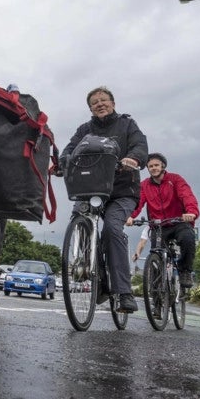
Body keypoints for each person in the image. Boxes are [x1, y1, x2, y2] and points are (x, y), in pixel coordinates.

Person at [60, 86, 148, 313]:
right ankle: (96, 277)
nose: (100, 104)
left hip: (122, 192)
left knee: (111, 228)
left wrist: (133, 158)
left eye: (104, 100)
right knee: (79, 219)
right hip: (90, 189)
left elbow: (140, 145)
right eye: (94, 102)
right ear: (90, 108)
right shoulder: (84, 129)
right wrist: (62, 162)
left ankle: (123, 292)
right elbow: (70, 148)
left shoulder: (127, 125)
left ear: (113, 103)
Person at [126, 152, 199, 290]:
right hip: (159, 226)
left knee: (188, 239)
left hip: (179, 222)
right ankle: (156, 293)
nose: (153, 168)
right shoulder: (145, 185)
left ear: (163, 166)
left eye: (156, 165)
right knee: (156, 256)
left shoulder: (175, 179)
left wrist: (191, 212)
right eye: (150, 166)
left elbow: (186, 195)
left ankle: (185, 271)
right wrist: (130, 215)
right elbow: (138, 202)